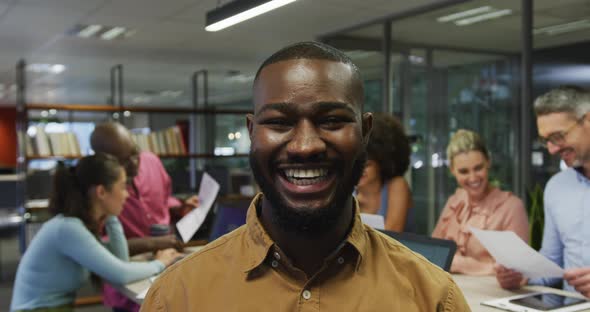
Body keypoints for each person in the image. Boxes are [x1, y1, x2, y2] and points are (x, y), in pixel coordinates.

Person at [141, 41, 470, 311]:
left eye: (331, 120)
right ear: (252, 132)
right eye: (280, 123)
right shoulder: (177, 297)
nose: (305, 146)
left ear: (365, 133)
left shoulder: (434, 298)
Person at [10, 154, 181, 312]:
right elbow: (121, 274)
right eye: (122, 187)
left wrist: (111, 216)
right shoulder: (68, 228)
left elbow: (120, 261)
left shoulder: (80, 225)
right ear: (101, 192)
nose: (126, 195)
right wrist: (161, 263)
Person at [90, 122, 199, 312]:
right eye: (123, 161)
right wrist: (154, 243)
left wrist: (181, 207)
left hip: (168, 263)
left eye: (135, 153)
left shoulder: (151, 161)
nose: (133, 163)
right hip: (129, 278)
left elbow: (164, 200)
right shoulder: (96, 189)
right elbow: (100, 248)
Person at [496, 86, 590, 298]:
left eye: (558, 136)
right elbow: (552, 263)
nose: (552, 149)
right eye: (546, 140)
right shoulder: (556, 187)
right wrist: (522, 276)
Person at [432, 129, 529, 275]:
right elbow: (432, 255)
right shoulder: (454, 202)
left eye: (478, 168)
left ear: (488, 162)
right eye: (464, 171)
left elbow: (519, 270)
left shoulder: (512, 207)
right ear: (452, 170)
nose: (473, 178)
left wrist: (460, 264)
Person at [356, 112, 414, 232]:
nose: (359, 169)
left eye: (367, 165)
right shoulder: (348, 192)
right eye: (355, 163)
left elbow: (392, 235)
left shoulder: (397, 186)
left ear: (382, 162)